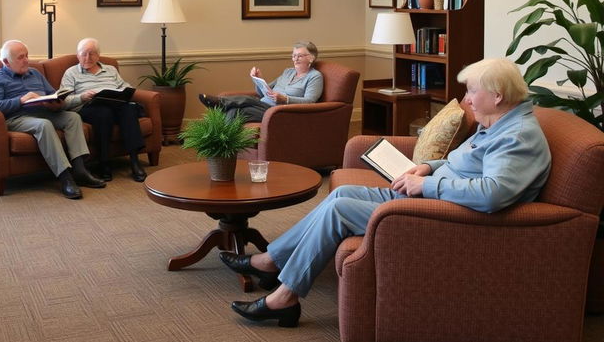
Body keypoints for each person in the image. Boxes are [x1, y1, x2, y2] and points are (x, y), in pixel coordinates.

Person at [220, 57, 552, 327]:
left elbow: (493, 194)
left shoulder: (517, 136)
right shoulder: (497, 122)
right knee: (340, 193)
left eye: (472, 92)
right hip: (432, 195)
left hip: (447, 216)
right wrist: (428, 168)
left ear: (496, 95)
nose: (466, 100)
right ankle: (269, 262)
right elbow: (462, 164)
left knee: (339, 210)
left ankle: (284, 297)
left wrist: (427, 184)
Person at [0, 40, 106, 199]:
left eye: (27, 55)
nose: (27, 60)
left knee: (73, 117)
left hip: (44, 112)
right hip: (17, 117)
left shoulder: (34, 73)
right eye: (21, 57)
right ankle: (65, 178)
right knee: (44, 125)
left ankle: (80, 170)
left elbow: (52, 93)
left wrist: (56, 103)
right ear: (7, 62)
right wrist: (21, 100)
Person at [61, 38, 147, 182]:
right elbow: (64, 101)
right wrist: (82, 97)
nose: (88, 58)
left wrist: (125, 91)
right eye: (84, 54)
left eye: (92, 53)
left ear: (98, 55)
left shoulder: (110, 70)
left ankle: (134, 161)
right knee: (103, 113)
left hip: (114, 104)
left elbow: (124, 85)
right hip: (89, 107)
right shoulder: (71, 73)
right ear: (78, 55)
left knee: (129, 110)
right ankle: (104, 163)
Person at [198, 41, 323, 122]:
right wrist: (258, 80)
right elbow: (263, 92)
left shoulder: (314, 76)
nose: (295, 59)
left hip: (279, 112)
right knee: (234, 111)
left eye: (300, 56)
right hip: (262, 105)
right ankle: (222, 146)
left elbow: (310, 101)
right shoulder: (288, 72)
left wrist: (285, 99)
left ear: (311, 58)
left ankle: (221, 102)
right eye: (293, 55)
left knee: (246, 101)